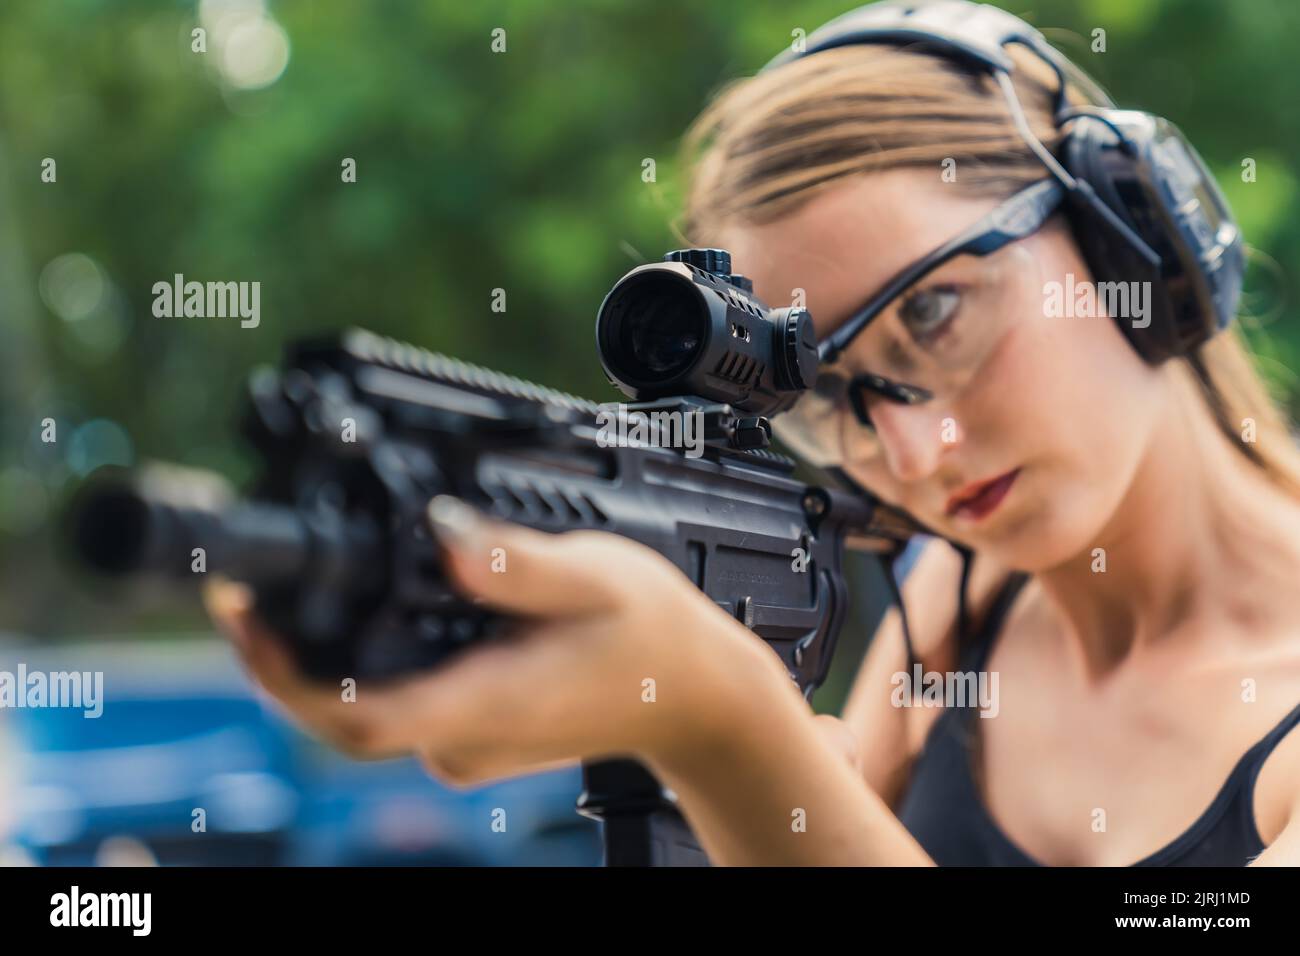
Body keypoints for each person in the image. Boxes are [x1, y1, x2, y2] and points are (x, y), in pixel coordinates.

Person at [205, 2, 1300, 865]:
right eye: (832, 396)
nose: (911, 460)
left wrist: (721, 725)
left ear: (1129, 230)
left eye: (932, 312)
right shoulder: (954, 612)